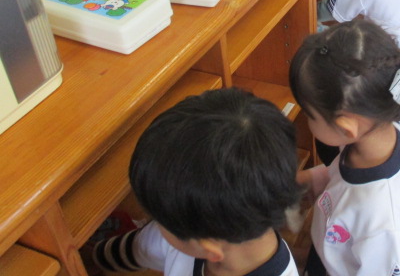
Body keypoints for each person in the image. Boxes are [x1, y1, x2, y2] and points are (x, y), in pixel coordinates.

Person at [290, 20, 400, 276]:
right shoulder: (374, 135)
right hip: (348, 247)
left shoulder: (384, 222)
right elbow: (343, 176)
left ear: (346, 128)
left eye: (308, 114)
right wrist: (309, 180)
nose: (306, 121)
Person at [91, 88, 301, 276]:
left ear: (209, 250)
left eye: (159, 221)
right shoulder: (199, 227)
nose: (155, 225)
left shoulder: (192, 227)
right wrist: (95, 256)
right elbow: (140, 248)